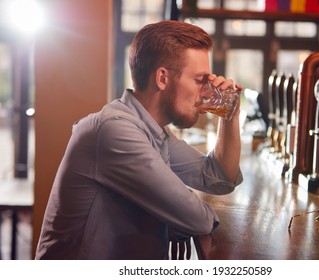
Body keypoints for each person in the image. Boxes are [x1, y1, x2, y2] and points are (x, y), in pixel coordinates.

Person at [35, 20, 243, 260]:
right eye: (199, 80)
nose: (206, 92)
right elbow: (198, 219)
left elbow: (219, 178)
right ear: (162, 78)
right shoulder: (115, 131)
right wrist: (176, 219)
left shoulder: (155, 131)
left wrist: (229, 114)